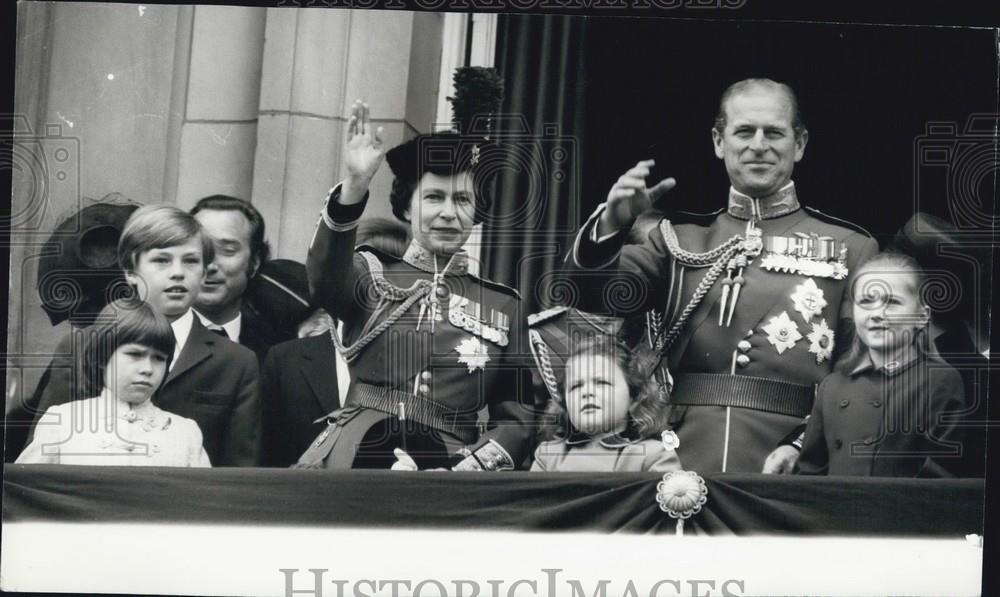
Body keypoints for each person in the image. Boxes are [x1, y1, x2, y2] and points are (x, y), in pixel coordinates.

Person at [561, 78, 879, 473]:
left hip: (790, 460)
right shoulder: (678, 240)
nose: (758, 145)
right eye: (744, 131)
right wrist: (610, 224)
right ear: (718, 141)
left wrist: (806, 445)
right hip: (675, 459)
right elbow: (590, 294)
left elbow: (860, 371)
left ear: (799, 144)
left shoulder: (852, 247)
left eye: (774, 132)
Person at [296, 100, 534, 471]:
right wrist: (355, 187)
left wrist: (467, 468)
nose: (448, 212)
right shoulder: (369, 272)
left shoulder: (503, 306)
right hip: (355, 452)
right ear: (407, 207)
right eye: (434, 197)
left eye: (462, 200)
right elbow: (322, 277)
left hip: (451, 466)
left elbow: (518, 417)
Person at [30, 205, 261, 466]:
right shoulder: (83, 345)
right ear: (130, 271)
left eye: (191, 261)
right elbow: (40, 468)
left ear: (204, 272)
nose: (178, 272)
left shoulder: (236, 363)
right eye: (161, 260)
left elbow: (239, 472)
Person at [795, 252, 966, 477]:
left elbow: (942, 481)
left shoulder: (941, 381)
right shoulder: (832, 386)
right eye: (866, 302)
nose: (877, 314)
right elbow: (808, 476)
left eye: (892, 302)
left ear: (922, 316)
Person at [259, 218, 409, 467]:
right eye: (360, 271)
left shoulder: (418, 363)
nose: (376, 285)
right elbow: (265, 457)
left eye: (391, 272)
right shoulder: (286, 360)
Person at [18, 300, 210, 467]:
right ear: (103, 357)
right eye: (135, 355)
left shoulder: (185, 434)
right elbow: (29, 490)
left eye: (159, 358)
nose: (148, 368)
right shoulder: (62, 422)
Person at [530, 337, 681, 472]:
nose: (586, 392)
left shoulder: (653, 455)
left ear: (634, 397)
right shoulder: (548, 457)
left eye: (601, 383)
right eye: (575, 386)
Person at [190, 195, 296, 361]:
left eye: (228, 250)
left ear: (254, 262)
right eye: (200, 248)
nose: (210, 266)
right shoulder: (150, 334)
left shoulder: (278, 349)